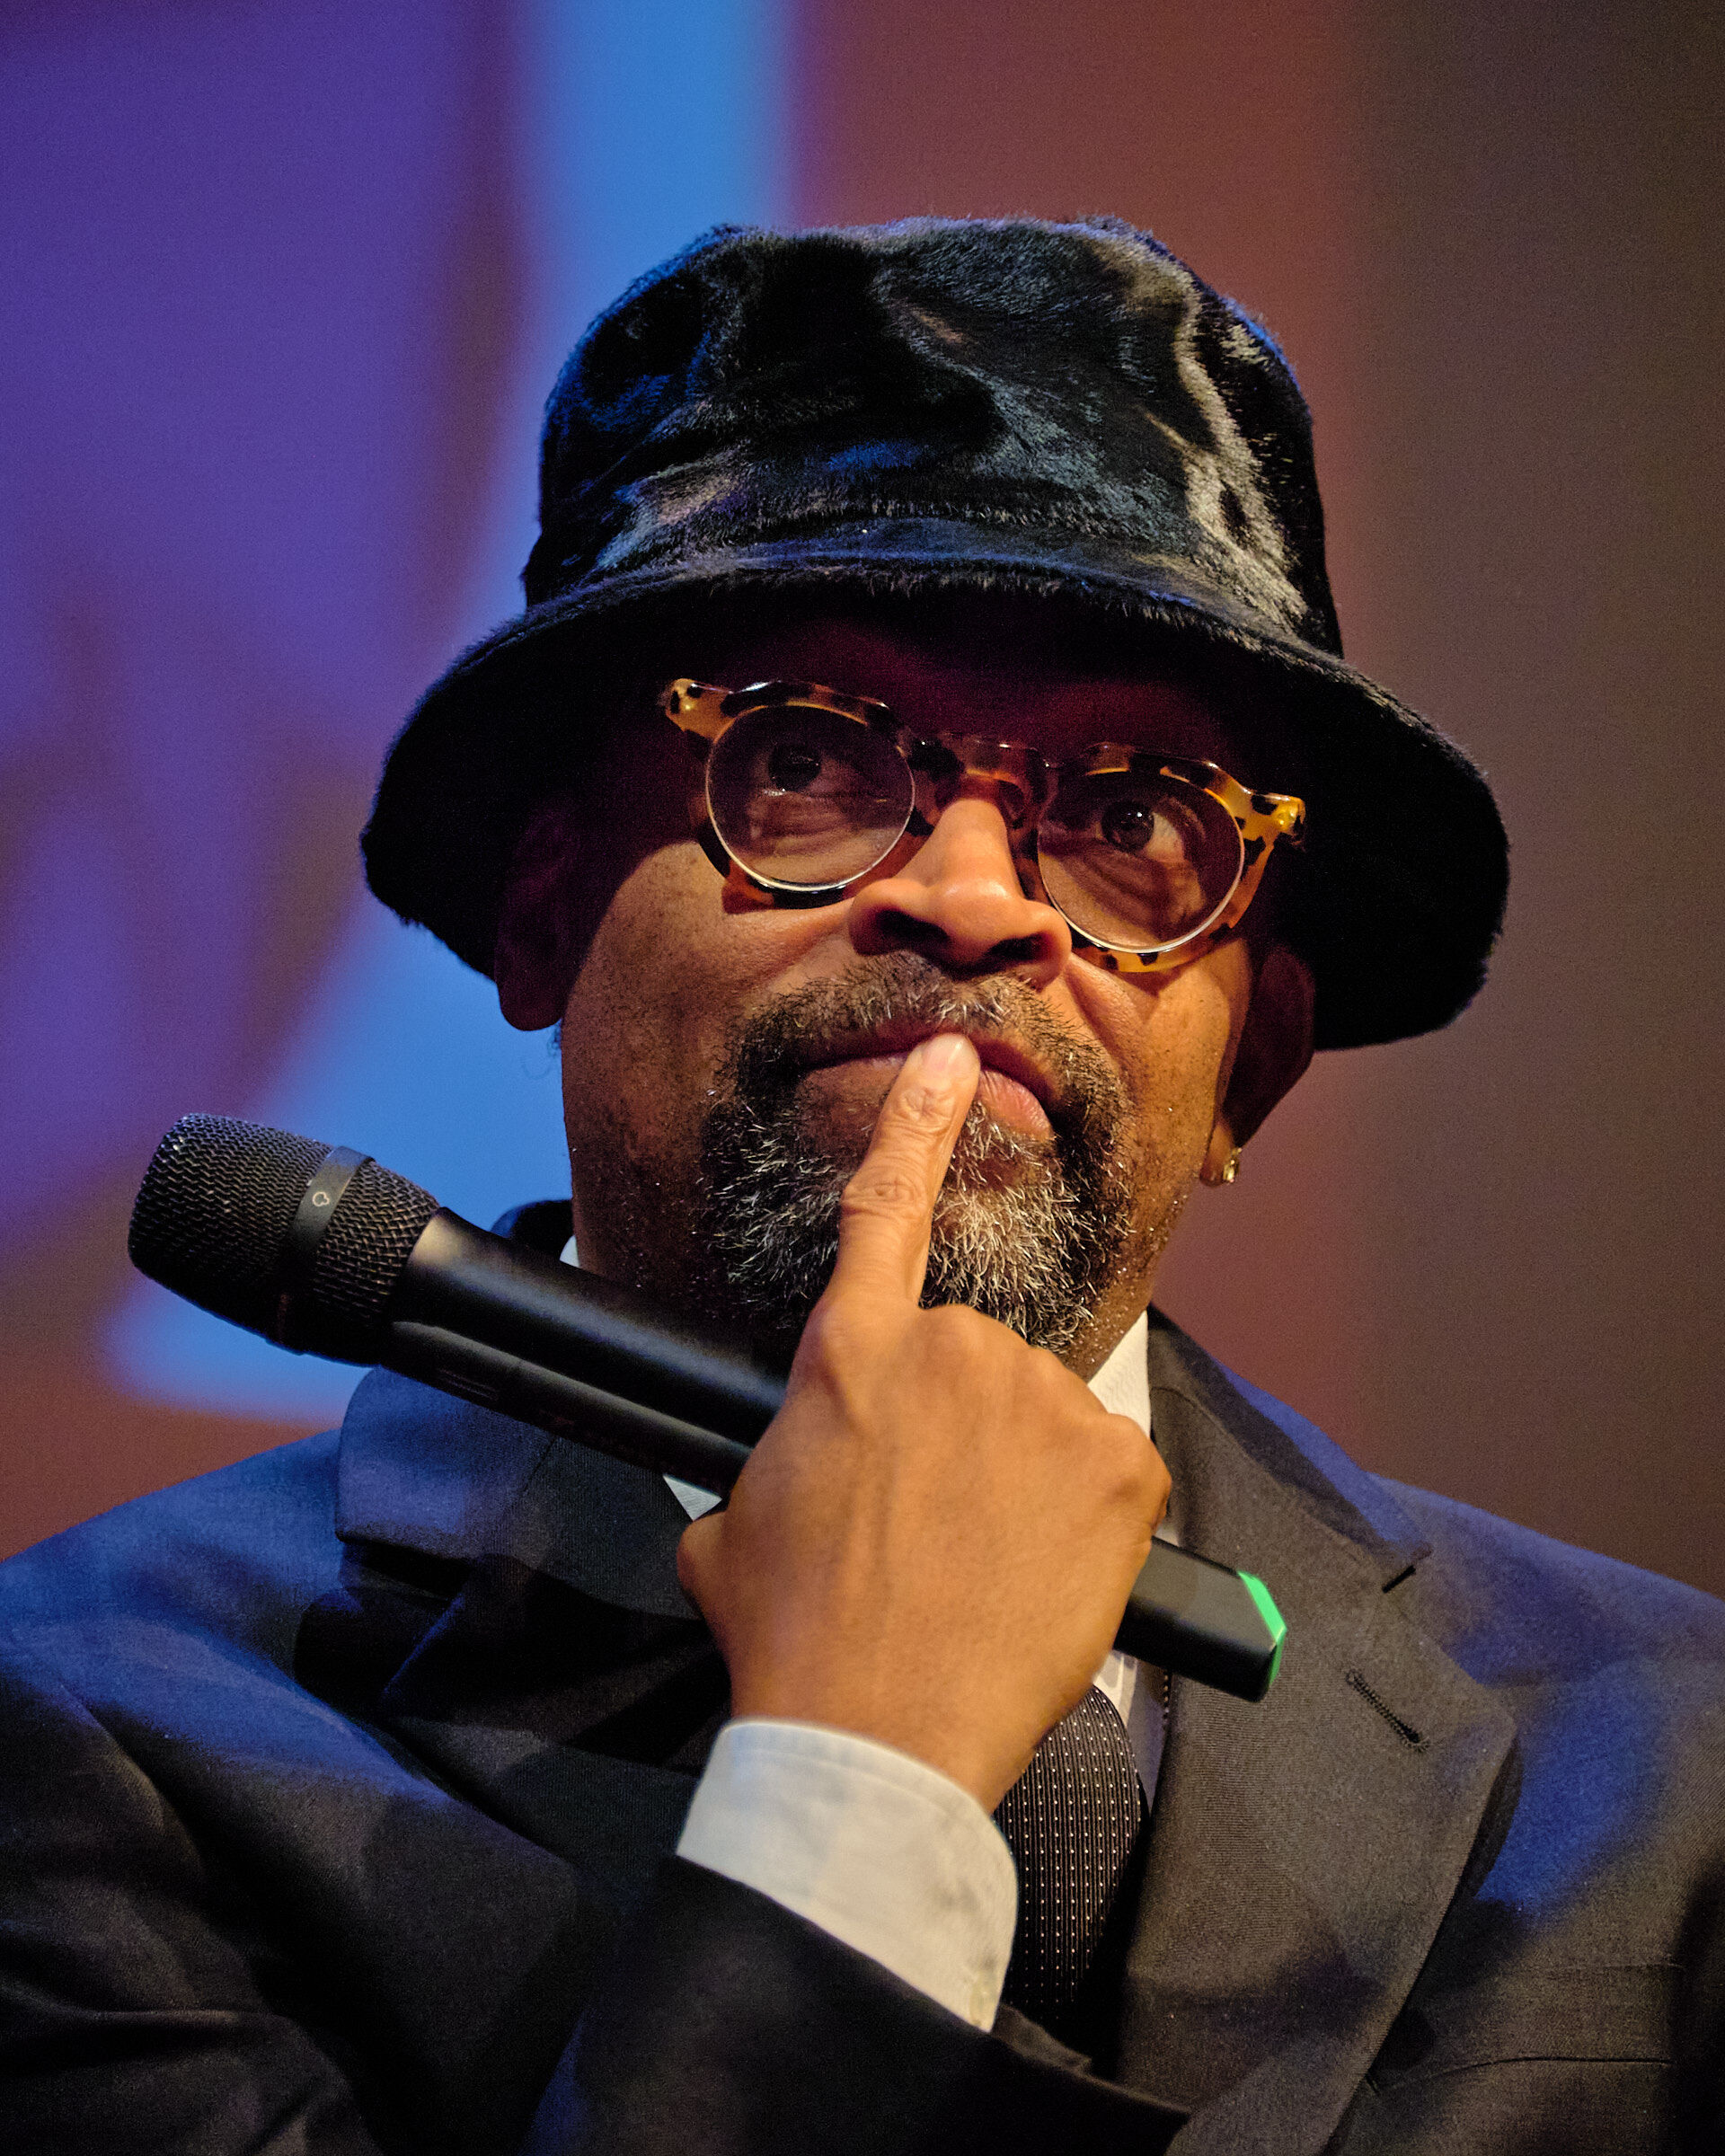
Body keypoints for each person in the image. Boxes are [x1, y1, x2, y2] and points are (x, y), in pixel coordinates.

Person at [2, 217, 1721, 2154]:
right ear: (546, 919)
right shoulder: (83, 1728)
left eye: (1133, 815)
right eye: (808, 764)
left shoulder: (1667, 1756)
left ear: (1255, 1060)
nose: (976, 900)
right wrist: (861, 1790)